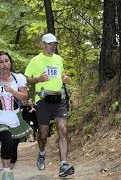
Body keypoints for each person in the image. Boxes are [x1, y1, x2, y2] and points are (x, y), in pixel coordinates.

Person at [24, 33, 74, 177]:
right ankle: (41, 152)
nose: (53, 46)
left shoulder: (59, 59)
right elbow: (26, 80)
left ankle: (63, 164)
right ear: (43, 44)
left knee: (63, 130)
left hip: (59, 99)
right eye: (50, 44)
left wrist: (64, 78)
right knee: (43, 134)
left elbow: (61, 74)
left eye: (54, 44)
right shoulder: (35, 60)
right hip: (43, 100)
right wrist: (39, 78)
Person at [0, 51, 33, 179]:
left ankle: (9, 172)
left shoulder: (18, 78)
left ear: (10, 62)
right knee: (7, 139)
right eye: (1, 62)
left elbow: (25, 96)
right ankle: (6, 172)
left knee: (13, 147)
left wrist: (12, 91)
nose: (4, 64)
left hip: (15, 116)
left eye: (6, 61)